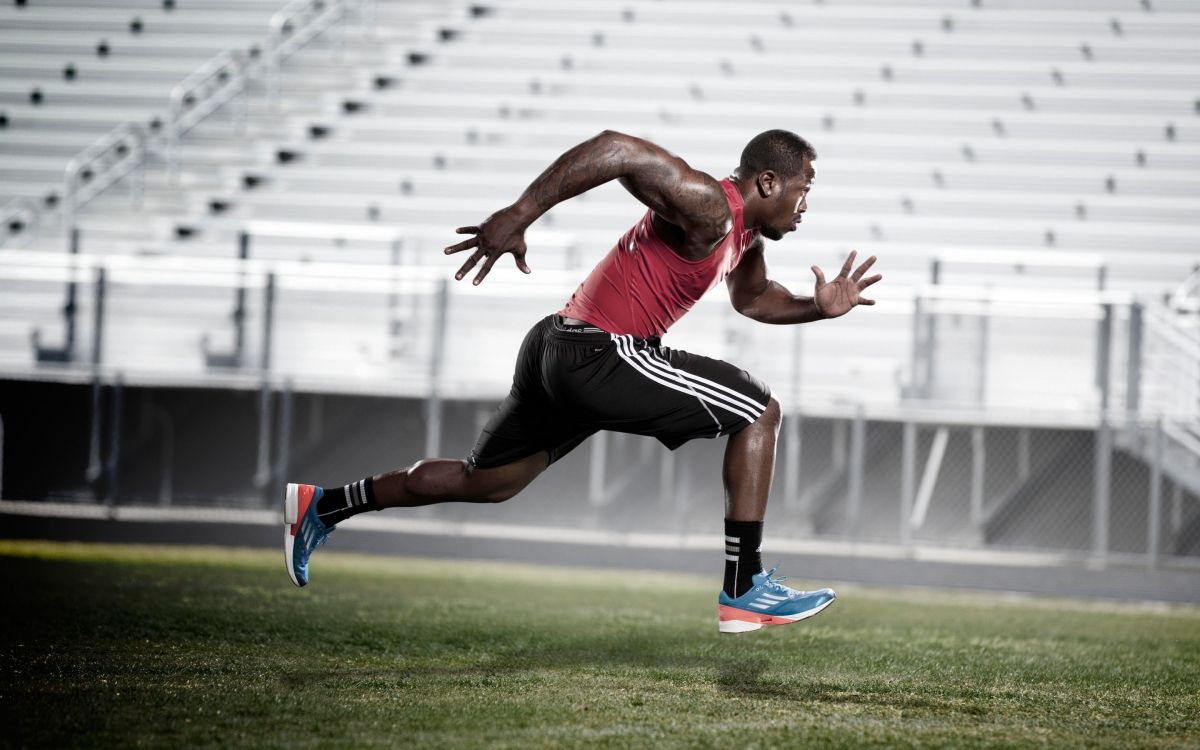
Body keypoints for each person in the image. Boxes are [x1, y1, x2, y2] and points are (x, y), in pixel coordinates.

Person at [283, 129, 881, 633]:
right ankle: (744, 585)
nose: (806, 206)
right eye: (805, 190)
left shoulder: (743, 237)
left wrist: (816, 307)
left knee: (486, 482)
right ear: (769, 183)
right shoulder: (708, 205)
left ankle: (324, 505)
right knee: (760, 409)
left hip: (557, 346)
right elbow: (616, 149)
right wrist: (519, 215)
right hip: (600, 353)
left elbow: (752, 298)